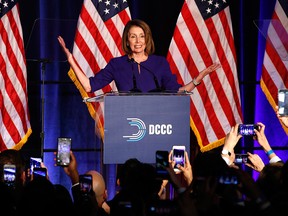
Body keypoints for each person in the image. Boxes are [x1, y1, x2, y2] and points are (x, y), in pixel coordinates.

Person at [58, 19, 221, 94]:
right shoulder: (117, 64)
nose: (138, 41)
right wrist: (71, 59)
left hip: (157, 125)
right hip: (126, 127)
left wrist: (197, 79)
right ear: (127, 40)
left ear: (147, 38)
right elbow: (88, 86)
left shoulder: (160, 63)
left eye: (141, 36)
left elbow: (177, 92)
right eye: (133, 36)